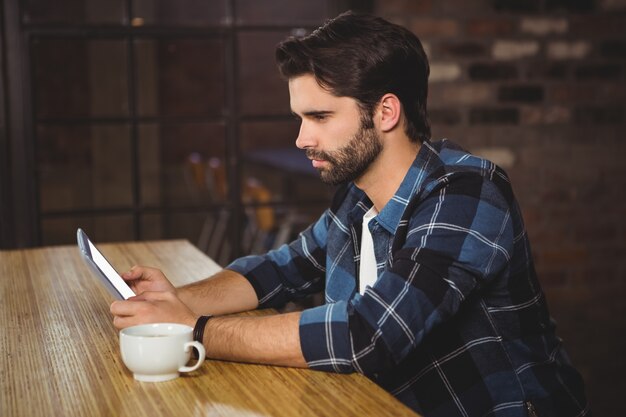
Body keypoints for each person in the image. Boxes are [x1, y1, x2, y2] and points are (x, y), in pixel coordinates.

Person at [111, 11, 590, 417]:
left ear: (385, 113)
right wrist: (176, 300)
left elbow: (369, 335)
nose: (301, 139)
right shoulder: (356, 195)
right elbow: (280, 269)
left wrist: (192, 331)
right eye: (300, 118)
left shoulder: (468, 191)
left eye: (319, 117)